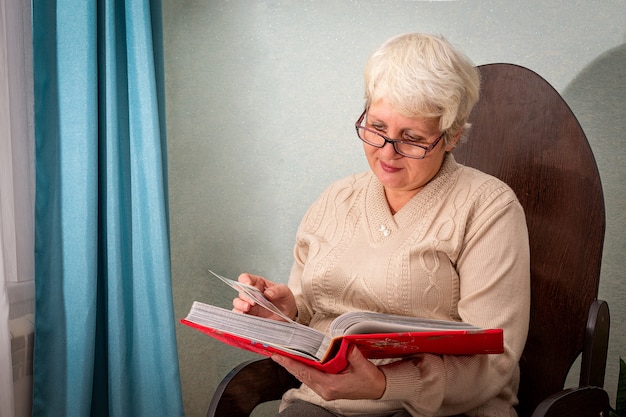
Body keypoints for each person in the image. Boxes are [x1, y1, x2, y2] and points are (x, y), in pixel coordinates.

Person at [233, 33, 530, 417]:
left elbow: (497, 360)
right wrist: (287, 311)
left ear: (452, 136)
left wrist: (386, 384)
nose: (387, 152)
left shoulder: (489, 207)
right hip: (322, 405)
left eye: (412, 138)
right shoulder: (335, 200)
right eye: (376, 127)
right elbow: (312, 312)